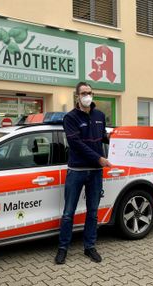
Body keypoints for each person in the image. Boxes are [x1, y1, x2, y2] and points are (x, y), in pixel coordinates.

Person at [55, 81, 112, 265]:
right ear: (77, 96)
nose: (87, 95)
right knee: (68, 213)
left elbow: (103, 137)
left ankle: (89, 247)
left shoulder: (100, 115)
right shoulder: (70, 118)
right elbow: (76, 144)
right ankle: (63, 248)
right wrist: (99, 159)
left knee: (93, 212)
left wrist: (122, 137)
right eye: (84, 93)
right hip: (77, 170)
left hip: (95, 173)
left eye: (90, 92)